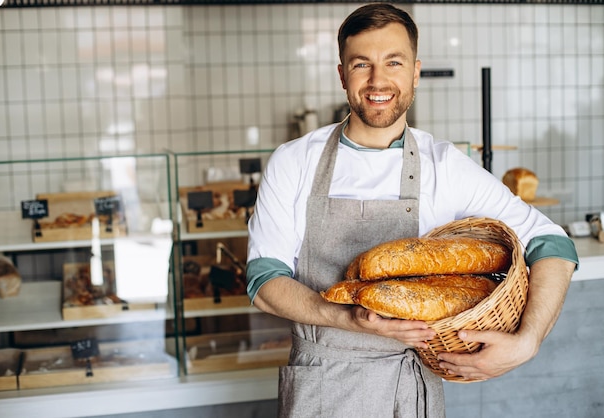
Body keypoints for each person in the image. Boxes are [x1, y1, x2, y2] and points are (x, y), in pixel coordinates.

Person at [246, 3, 578, 417]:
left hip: (413, 387)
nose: (378, 80)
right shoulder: (295, 161)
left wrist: (528, 342)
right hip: (323, 386)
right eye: (361, 64)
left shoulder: (444, 165)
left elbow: (552, 243)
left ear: (415, 72)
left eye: (394, 62)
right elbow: (264, 281)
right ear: (341, 74)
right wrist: (349, 318)